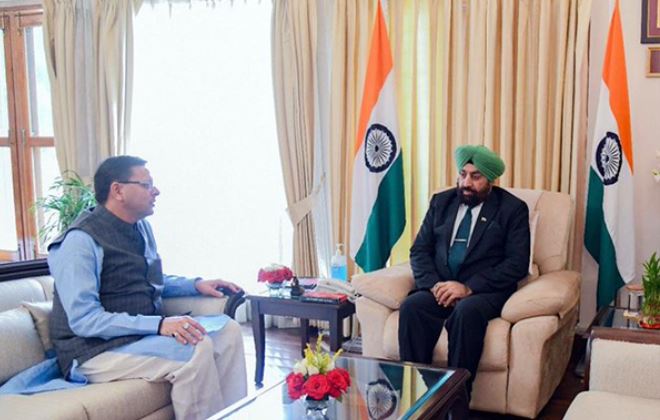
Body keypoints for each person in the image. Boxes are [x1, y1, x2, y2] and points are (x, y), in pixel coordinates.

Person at [48, 155, 247, 420]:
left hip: (136, 339)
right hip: (92, 351)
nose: (156, 191)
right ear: (117, 190)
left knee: (228, 330)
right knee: (194, 347)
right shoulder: (81, 241)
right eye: (146, 184)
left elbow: (147, 279)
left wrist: (195, 284)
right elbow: (84, 321)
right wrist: (159, 325)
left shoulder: (141, 227)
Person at [398, 145, 530, 397]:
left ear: (491, 180)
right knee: (412, 307)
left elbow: (517, 263)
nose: (466, 182)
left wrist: (469, 288)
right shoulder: (441, 202)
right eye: (462, 174)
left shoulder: (512, 209)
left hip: (483, 291)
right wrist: (435, 285)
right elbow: (419, 251)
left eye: (475, 176)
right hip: (440, 286)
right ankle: (418, 394)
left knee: (465, 312)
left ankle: (455, 400)